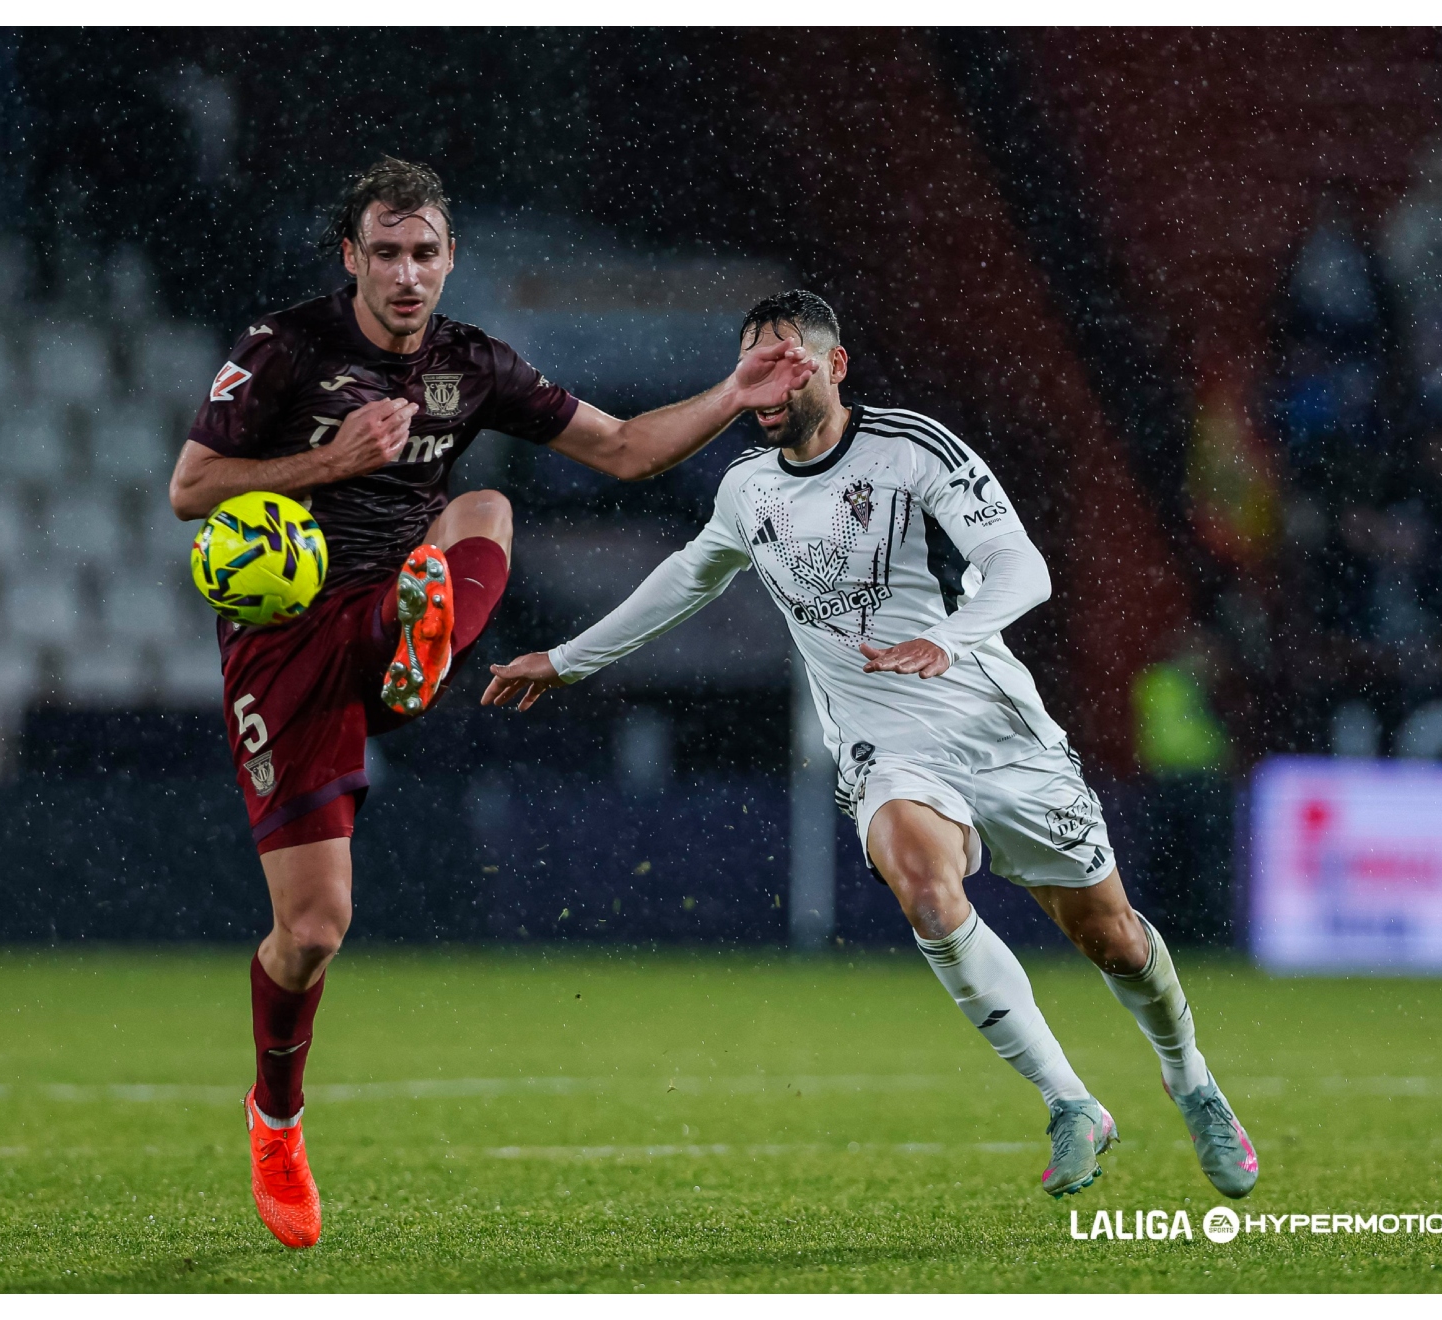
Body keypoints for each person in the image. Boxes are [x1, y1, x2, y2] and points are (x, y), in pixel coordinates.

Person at [166, 159, 816, 1249]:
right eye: (386, 253)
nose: (407, 274)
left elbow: (617, 449)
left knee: (483, 500)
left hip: (380, 610)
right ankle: (276, 1114)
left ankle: (426, 640)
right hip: (284, 648)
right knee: (315, 929)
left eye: (425, 253)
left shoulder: (474, 367)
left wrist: (730, 396)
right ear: (351, 257)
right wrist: (326, 460)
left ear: (451, 258)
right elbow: (191, 488)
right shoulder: (285, 348)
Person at [483, 290, 1259, 1202]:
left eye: (786, 362)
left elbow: (1024, 568)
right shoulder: (748, 488)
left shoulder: (913, 450)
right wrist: (570, 660)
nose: (765, 383)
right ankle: (1071, 1102)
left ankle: (1191, 1080)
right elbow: (687, 577)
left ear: (835, 365)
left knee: (1114, 940)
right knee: (925, 889)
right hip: (888, 751)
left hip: (995, 731)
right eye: (750, 366)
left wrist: (953, 637)